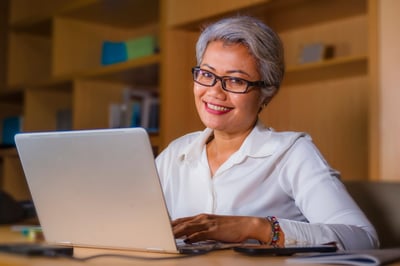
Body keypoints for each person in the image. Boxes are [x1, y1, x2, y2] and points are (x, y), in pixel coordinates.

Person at [155, 15, 379, 250]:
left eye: (235, 81)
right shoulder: (175, 154)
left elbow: (363, 238)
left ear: (266, 93)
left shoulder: (292, 153)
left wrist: (255, 227)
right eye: (207, 74)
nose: (215, 92)